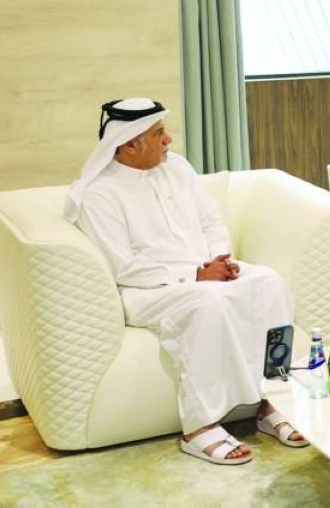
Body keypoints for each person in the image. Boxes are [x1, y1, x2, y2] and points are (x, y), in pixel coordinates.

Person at [65, 98, 309, 465]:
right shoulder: (98, 194)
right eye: (158, 134)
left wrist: (220, 260)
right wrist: (195, 276)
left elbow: (211, 220)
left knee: (270, 282)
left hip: (205, 271)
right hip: (148, 290)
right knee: (207, 302)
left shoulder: (177, 168)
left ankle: (272, 400)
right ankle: (199, 427)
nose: (169, 141)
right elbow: (123, 266)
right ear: (130, 144)